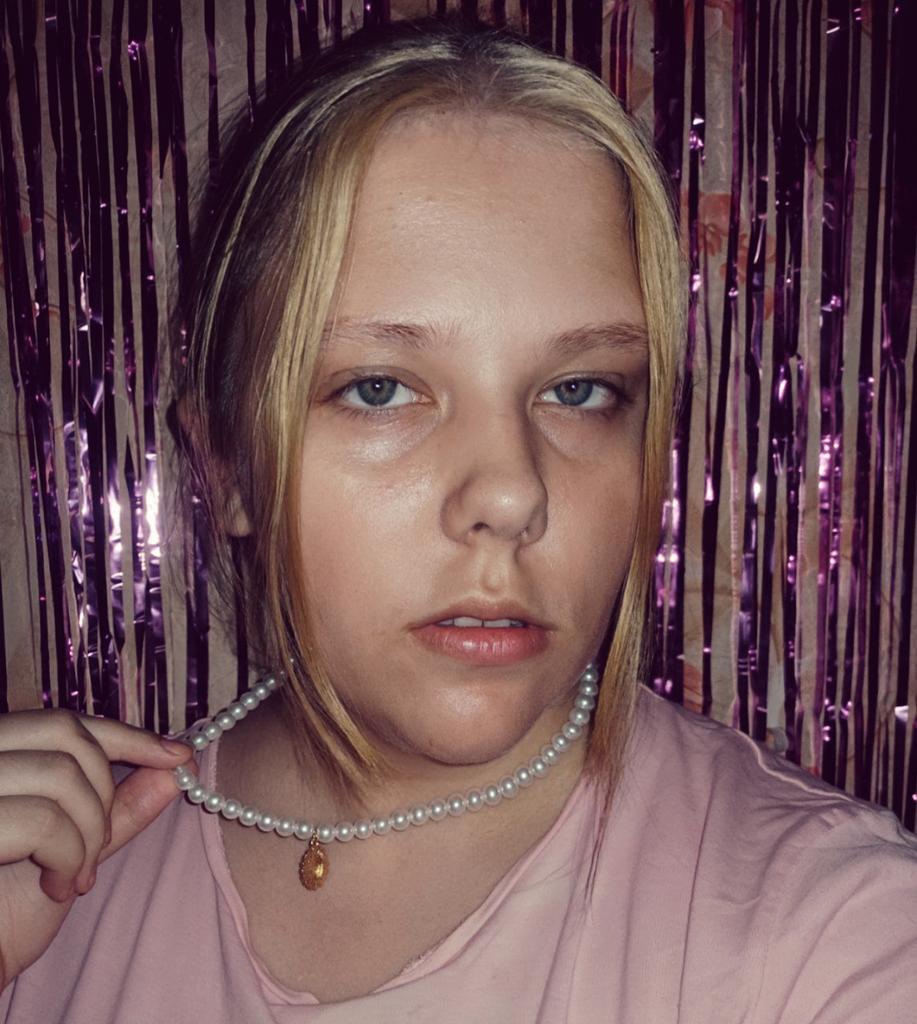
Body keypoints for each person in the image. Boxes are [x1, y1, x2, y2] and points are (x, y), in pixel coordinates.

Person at [1, 15, 916, 1023]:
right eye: (380, 388)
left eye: (578, 390)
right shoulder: (44, 895)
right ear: (229, 469)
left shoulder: (837, 936)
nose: (512, 494)